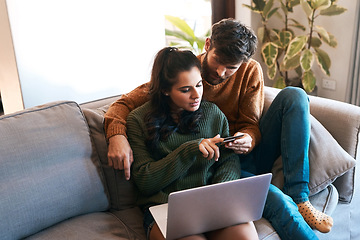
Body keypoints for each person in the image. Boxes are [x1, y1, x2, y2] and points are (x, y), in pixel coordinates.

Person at [104, 19, 333, 239]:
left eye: (231, 67)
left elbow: (250, 123)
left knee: (295, 95)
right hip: (206, 162)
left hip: (237, 154)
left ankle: (300, 196)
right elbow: (126, 104)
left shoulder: (246, 75)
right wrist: (117, 135)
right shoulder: (185, 70)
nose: (221, 73)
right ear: (207, 45)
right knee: (274, 198)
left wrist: (249, 138)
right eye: (217, 62)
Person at [127, 46, 258, 240]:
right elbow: (146, 181)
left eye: (199, 85)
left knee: (245, 236)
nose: (196, 95)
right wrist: (189, 151)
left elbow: (228, 161)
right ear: (164, 90)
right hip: (166, 210)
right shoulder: (138, 120)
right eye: (185, 90)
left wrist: (220, 192)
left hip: (211, 204)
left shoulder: (213, 113)